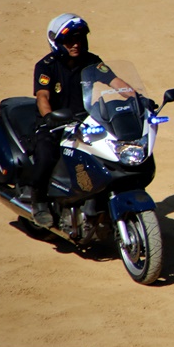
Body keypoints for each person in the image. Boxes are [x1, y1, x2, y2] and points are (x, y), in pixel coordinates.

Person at [30, 14, 111, 227]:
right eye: (70, 41)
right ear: (57, 43)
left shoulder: (92, 62)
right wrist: (49, 117)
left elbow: (114, 81)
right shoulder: (47, 66)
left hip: (85, 123)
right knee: (46, 155)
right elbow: (43, 96)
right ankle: (38, 201)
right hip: (55, 124)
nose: (76, 44)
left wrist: (135, 98)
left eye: (80, 39)